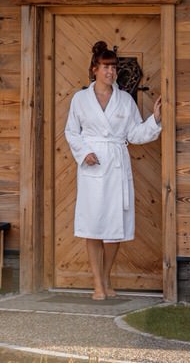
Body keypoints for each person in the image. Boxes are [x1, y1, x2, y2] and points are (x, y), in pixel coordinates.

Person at [64, 40, 162, 300]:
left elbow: (135, 134)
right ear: (94, 69)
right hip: (93, 166)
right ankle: (97, 283)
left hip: (117, 165)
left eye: (114, 68)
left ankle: (106, 277)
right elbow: (71, 132)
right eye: (106, 67)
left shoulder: (125, 100)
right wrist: (85, 153)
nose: (111, 72)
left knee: (114, 228)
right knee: (93, 226)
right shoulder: (80, 100)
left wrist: (156, 119)